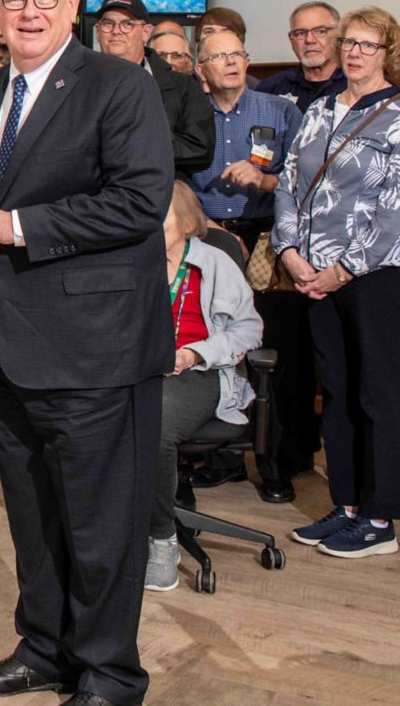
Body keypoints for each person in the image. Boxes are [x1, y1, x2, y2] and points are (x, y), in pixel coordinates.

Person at [0, 0, 172, 706]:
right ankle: (44, 649)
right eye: (15, 1)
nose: (30, 13)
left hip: (95, 350)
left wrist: (16, 225)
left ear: (74, 4)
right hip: (10, 349)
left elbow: (140, 202)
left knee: (102, 527)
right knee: (36, 519)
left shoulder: (118, 87)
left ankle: (110, 675)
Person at [273, 6, 400, 559]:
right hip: (314, 273)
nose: (356, 52)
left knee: (378, 394)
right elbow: (289, 184)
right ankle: (347, 506)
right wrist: (291, 253)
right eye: (350, 43)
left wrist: (342, 269)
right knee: (337, 392)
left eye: (369, 44)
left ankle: (382, 517)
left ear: (390, 53)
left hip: (375, 275)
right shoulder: (318, 110)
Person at [189, 28, 306, 501]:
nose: (231, 63)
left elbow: (303, 180)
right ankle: (223, 458)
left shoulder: (281, 111)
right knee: (215, 349)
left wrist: (264, 178)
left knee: (270, 355)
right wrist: (206, 228)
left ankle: (276, 463)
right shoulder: (192, 115)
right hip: (207, 239)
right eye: (218, 57)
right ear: (203, 71)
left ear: (247, 59)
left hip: (266, 242)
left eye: (237, 54)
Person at [144, 181, 263, 592]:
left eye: (161, 213)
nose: (151, 221)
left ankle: (162, 541)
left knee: (152, 420)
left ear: (185, 219)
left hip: (201, 372)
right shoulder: (135, 264)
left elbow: (249, 330)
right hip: (143, 372)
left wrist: (194, 353)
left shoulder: (215, 262)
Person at [94, 0, 213, 175]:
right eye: (108, 24)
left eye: (127, 24)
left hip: (162, 186)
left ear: (146, 32)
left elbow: (199, 149)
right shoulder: (79, 83)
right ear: (98, 32)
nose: (116, 31)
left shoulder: (183, 87)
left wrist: (133, 146)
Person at [256, 1, 347, 112]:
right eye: (300, 33)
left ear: (339, 34)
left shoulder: (355, 84)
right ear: (291, 39)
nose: (309, 40)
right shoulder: (270, 89)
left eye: (320, 31)